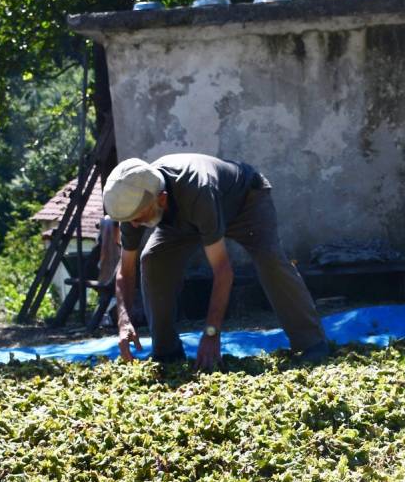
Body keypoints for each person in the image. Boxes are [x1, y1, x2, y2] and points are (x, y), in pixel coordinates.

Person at [103, 154, 329, 370]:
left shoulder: (197, 190)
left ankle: (311, 343)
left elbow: (223, 271)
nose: (134, 226)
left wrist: (212, 333)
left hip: (244, 203)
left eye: (138, 218)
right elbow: (126, 269)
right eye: (128, 221)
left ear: (161, 198)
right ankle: (167, 352)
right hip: (185, 220)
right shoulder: (132, 203)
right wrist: (124, 320)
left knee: (270, 260)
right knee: (153, 260)